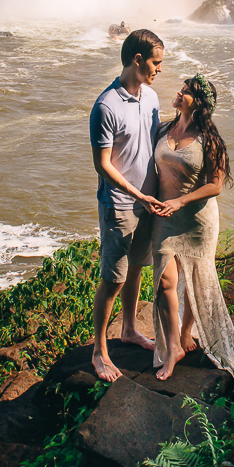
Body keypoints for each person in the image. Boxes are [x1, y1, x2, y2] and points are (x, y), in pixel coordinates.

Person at [151, 74, 234, 381]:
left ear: (200, 103)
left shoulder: (210, 139)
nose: (179, 93)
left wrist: (181, 202)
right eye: (182, 89)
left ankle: (187, 331)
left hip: (197, 221)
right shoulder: (164, 128)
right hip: (164, 218)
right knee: (165, 282)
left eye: (187, 92)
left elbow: (216, 185)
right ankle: (174, 346)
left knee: (197, 277)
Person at [89, 29, 166, 382]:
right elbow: (103, 165)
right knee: (113, 278)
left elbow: (154, 144)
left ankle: (130, 330)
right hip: (120, 204)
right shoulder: (106, 106)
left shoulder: (151, 97)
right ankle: (99, 351)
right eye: (155, 62)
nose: (159, 69)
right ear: (137, 59)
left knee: (136, 268)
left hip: (148, 202)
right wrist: (138, 195)